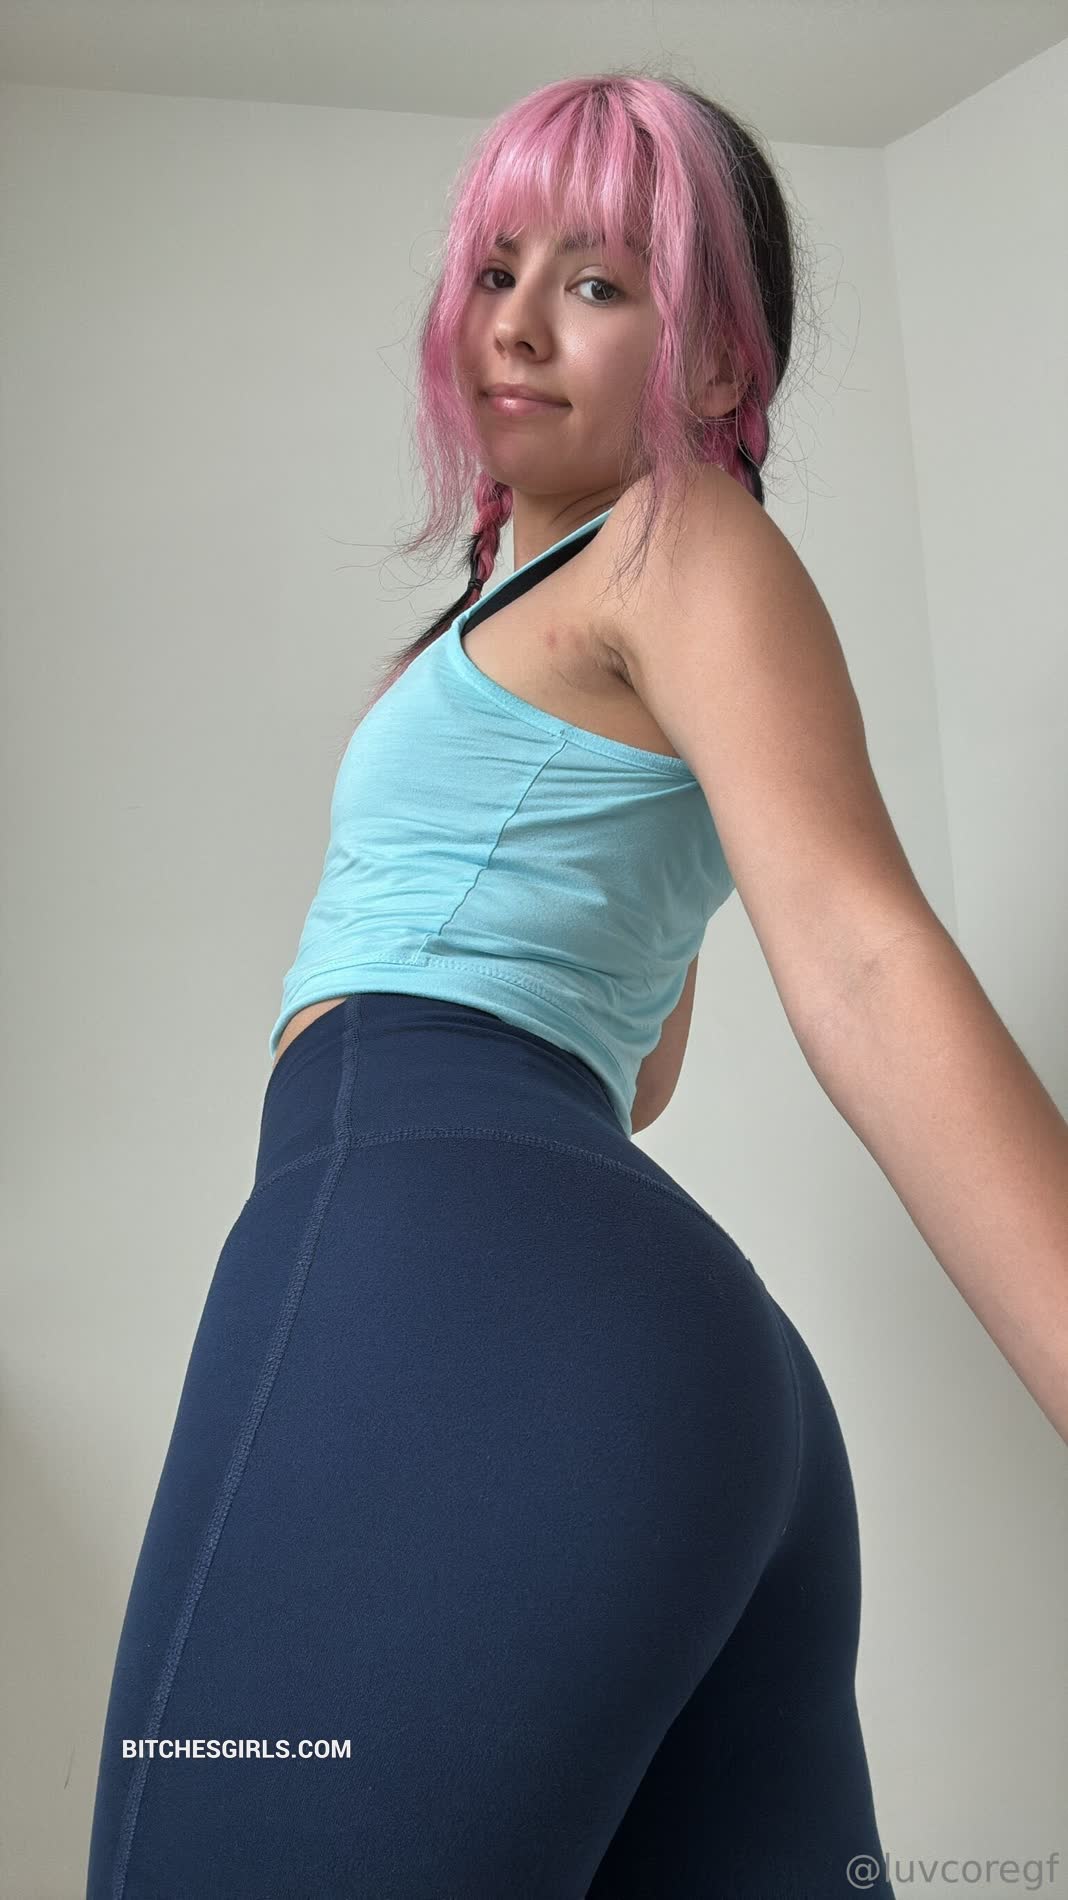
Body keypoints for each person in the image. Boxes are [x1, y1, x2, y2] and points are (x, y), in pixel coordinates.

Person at [87, 69, 898, 1898]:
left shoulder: (677, 542)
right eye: (494, 270)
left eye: (598, 282)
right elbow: (637, 1064)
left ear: (721, 366)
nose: (515, 323)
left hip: (444, 1241)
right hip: (675, 1357)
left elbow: (860, 954)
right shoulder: (584, 615)